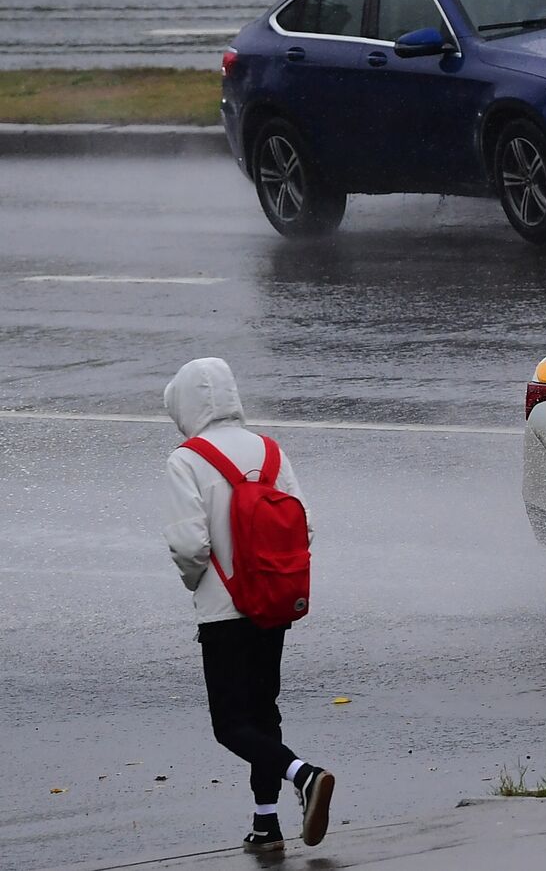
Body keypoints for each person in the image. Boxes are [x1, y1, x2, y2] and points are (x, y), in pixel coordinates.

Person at [161, 357, 335, 853]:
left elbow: (188, 545)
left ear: (186, 403)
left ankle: (304, 774)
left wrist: (201, 585)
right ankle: (266, 824)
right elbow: (305, 527)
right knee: (263, 712)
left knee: (231, 725)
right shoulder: (270, 451)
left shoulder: (186, 460)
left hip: (224, 611)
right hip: (274, 603)